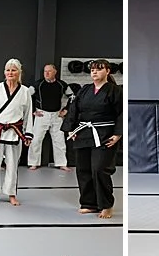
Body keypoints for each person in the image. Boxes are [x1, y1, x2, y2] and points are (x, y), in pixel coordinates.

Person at [62, 59, 122, 219]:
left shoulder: (115, 91)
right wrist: (71, 128)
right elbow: (74, 109)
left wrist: (118, 134)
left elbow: (121, 113)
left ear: (107, 71)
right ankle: (89, 203)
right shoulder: (85, 90)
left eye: (99, 69)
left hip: (105, 134)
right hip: (84, 133)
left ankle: (106, 205)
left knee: (99, 169)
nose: (94, 72)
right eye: (92, 69)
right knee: (83, 169)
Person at [0, 59, 34, 206]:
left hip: (14, 133)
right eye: (8, 70)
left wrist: (28, 134)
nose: (10, 73)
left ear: (19, 72)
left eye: (14, 70)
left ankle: (11, 194)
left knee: (12, 165)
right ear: (4, 72)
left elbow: (28, 114)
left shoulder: (25, 92)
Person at [28, 64, 72, 171]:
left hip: (57, 115)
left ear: (55, 72)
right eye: (45, 71)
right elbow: (26, 96)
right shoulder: (37, 85)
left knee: (59, 140)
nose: (47, 73)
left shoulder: (62, 84)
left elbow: (72, 97)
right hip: (42, 114)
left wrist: (66, 109)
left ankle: (62, 163)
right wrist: (33, 110)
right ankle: (33, 162)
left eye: (49, 71)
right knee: (36, 139)